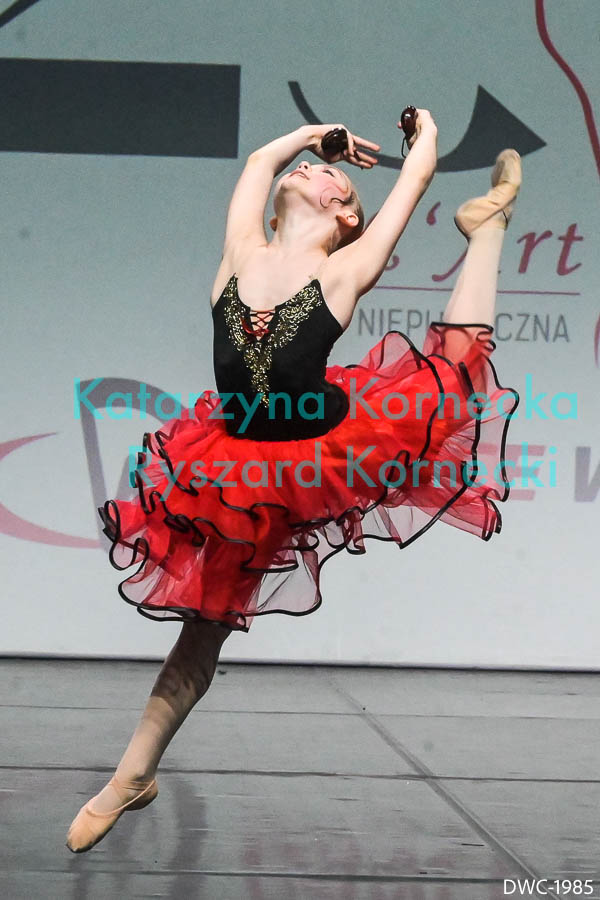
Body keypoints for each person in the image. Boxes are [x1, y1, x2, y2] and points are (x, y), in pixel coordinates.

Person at [66, 110, 521, 852]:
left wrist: (427, 140)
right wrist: (310, 137)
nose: (307, 169)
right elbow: (258, 163)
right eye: (305, 165)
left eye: (324, 173)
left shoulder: (344, 269)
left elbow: (412, 183)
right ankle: (134, 774)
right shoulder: (240, 253)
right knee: (202, 629)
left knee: (453, 383)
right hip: (236, 466)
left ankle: (487, 230)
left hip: (325, 445)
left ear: (345, 215)